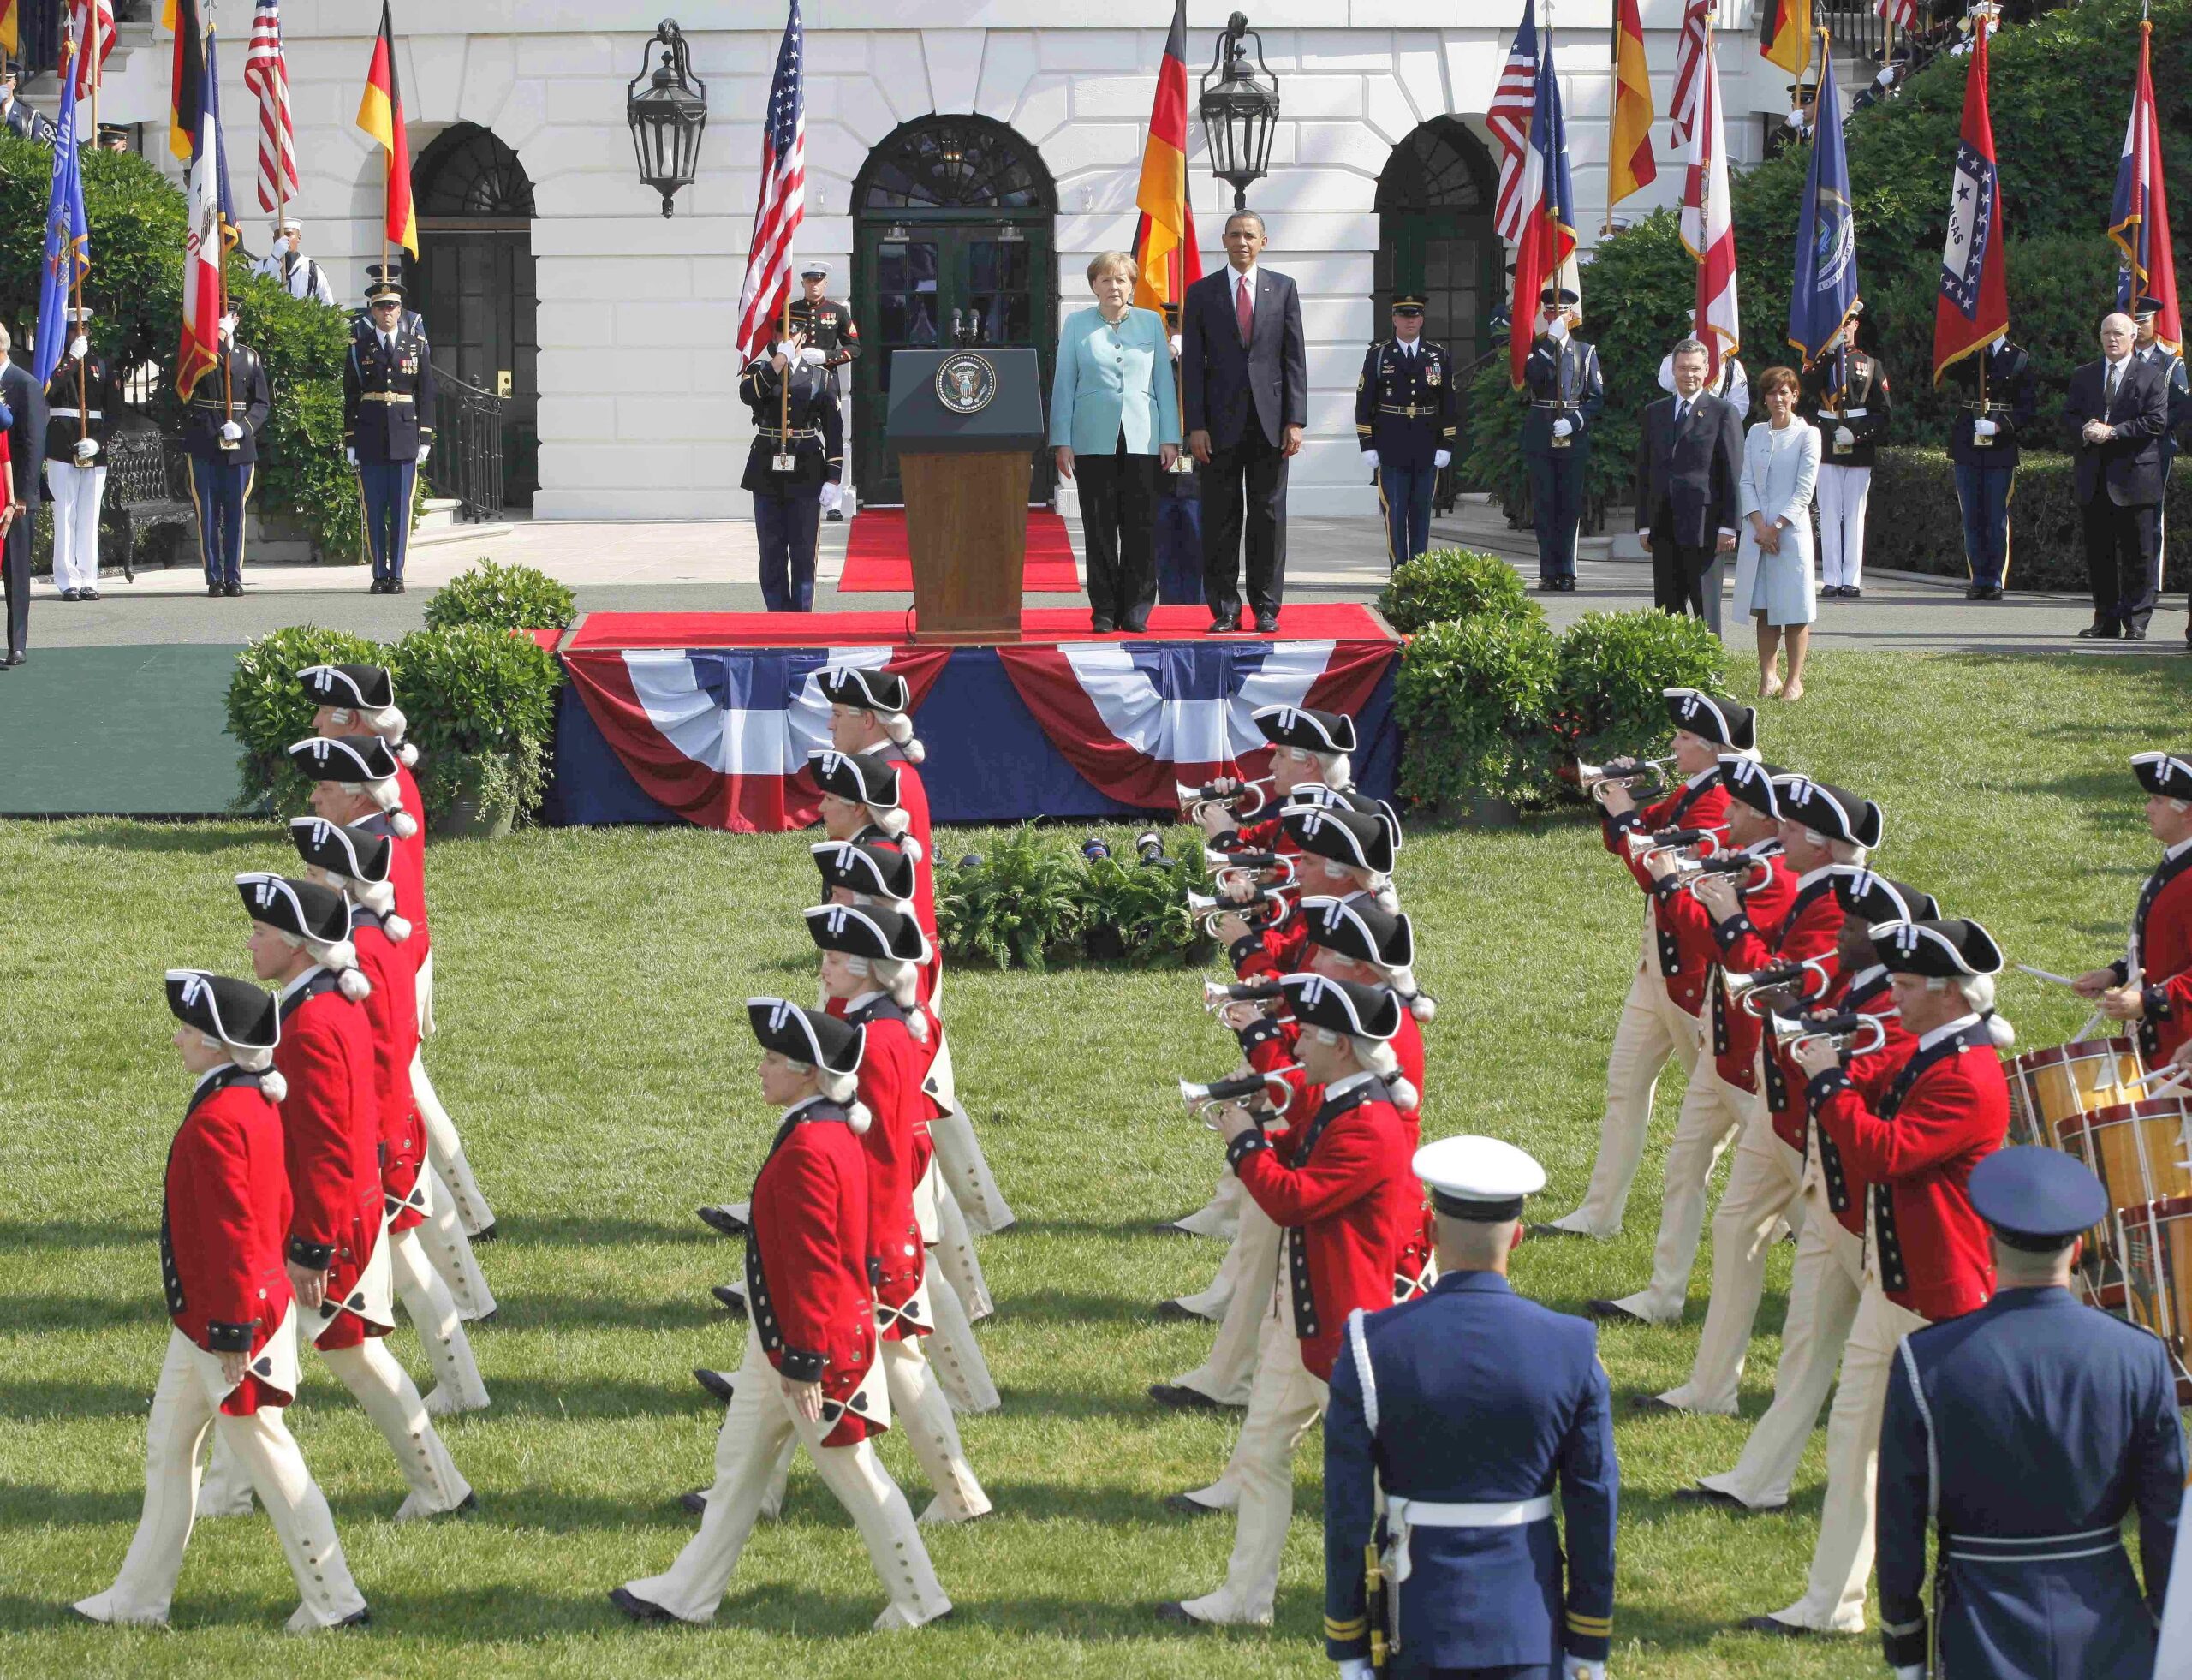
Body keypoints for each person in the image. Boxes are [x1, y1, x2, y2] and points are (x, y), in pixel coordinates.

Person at [612, 999, 952, 1631]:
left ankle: (920, 1598)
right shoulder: (825, 1128)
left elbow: (817, 1268)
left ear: (805, 1073)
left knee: (860, 1481)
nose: (761, 1070)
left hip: (811, 1353)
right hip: (784, 1347)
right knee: (740, 1473)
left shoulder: (809, 1148)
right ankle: (689, 1592)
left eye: (772, 1059)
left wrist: (802, 1364)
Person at [71, 970, 370, 1634]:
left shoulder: (218, 1118)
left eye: (187, 1031)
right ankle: (138, 1599)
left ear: (214, 1043)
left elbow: (235, 1234)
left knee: (270, 1455)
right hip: (211, 1320)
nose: (178, 1041)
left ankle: (335, 1599)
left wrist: (234, 1333)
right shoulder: (249, 1100)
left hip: (228, 1325)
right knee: (167, 1452)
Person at [1742, 915, 2010, 1641]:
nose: (1890, 998)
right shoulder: (1932, 1050)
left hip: (1943, 1302)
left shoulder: (1966, 1076)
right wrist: (1827, 1051)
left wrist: (1826, 1076)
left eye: (1903, 986)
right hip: (1893, 1284)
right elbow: (1876, 1083)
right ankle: (1832, 1606)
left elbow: (1884, 1153)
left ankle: (1978, 1602)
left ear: (1950, 995)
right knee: (1852, 1445)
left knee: (1961, 1476)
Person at [197, 874, 474, 1523]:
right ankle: (232, 1491)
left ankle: (440, 1486)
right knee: (261, 1353)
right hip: (333, 1213)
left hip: (329, 1225)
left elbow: (325, 1146)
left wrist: (312, 1247)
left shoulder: (311, 1022)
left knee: (358, 1358)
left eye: (261, 933)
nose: (249, 944)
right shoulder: (321, 1000)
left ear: (295, 946)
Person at [1156, 973, 1418, 1629]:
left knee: (1389, 1490)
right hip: (1306, 1325)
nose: (1295, 1037)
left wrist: (1244, 1139)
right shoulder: (1339, 1100)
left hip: (1346, 1339)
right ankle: (1246, 1600)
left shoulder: (1367, 1126)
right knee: (1262, 1456)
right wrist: (1260, 1133)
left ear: (1344, 1047)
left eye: (1308, 1032)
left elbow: (1292, 1199)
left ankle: (1413, 1607)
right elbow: (1301, 1169)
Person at [1678, 867, 1935, 1514]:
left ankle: (1961, 1485)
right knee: (1805, 1341)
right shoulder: (1857, 985)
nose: (1839, 934)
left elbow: (1868, 1085)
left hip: (1872, 1217)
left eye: (1851, 928)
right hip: (1832, 1196)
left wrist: (1821, 1054)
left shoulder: (1889, 1010)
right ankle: (1759, 1477)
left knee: (1917, 1362)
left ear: (1883, 944)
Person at [1875, 1147, 2183, 1680]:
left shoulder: (1925, 1361)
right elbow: (2167, 1519)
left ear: (1989, 1249)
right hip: (2108, 1629)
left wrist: (1906, 1646)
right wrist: (2169, 1627)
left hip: (1979, 1629)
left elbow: (1899, 1525)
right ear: (2080, 1248)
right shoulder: (2139, 1356)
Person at [1324, 1135, 1617, 1680]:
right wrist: (1588, 1641)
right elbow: (1593, 1505)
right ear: (1519, 1238)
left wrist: (1348, 1642)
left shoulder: (1370, 1344)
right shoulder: (1572, 1346)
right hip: (1528, 1627)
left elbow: (1346, 1513)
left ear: (1431, 1235)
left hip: (1415, 1627)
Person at [1640, 777, 1881, 1416]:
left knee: (1861, 1269)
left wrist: (1726, 915)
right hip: (1775, 1096)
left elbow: (1775, 981)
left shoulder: (1839, 905)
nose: (1781, 835)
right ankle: (1711, 1386)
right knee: (1735, 1228)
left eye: (1794, 830)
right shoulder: (1814, 888)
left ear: (1823, 846)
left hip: (1806, 1107)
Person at [288, 816, 490, 1417]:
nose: (308, 879)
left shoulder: (364, 950)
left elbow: (377, 1056)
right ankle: (463, 1385)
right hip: (389, 1126)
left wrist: (369, 1144)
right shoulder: (376, 934)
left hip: (377, 1132)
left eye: (317, 871)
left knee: (409, 1270)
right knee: (409, 1267)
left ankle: (461, 1385)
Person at [297, 664, 501, 1251]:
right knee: (409, 1090)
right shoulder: (384, 778)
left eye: (324, 711)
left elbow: (394, 892)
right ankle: (470, 1211)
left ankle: (464, 1212)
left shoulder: (380, 793)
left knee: (403, 1092)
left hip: (389, 958)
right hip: (394, 951)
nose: (315, 721)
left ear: (352, 719)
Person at [1586, 754, 1795, 1325]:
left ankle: (1848, 1271)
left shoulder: (1777, 879)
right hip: (1720, 1043)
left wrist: (1681, 888)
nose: (1725, 812)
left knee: (1807, 1188)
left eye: (1736, 807)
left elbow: (1721, 949)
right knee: (1685, 1166)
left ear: (1760, 817)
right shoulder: (1752, 861)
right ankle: (1663, 1296)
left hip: (1753, 1054)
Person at [1537, 689, 1749, 1242]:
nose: (1672, 747)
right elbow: (1635, 838)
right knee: (1623, 1087)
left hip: (1693, 979)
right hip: (1657, 967)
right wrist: (1617, 801)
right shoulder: (1693, 789)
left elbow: (1658, 869)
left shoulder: (1720, 801)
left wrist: (1626, 815)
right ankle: (1599, 1212)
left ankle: (1804, 1208)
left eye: (1682, 739)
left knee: (1742, 1104)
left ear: (1709, 748)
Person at [1180, 208, 1307, 634]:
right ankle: (1225, 609)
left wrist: (1296, 420)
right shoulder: (1202, 293)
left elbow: (1294, 360)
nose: (1242, 242)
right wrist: (1195, 425)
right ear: (1224, 240)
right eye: (1235, 235)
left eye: (1250, 235)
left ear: (1263, 242)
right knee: (1220, 518)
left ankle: (1267, 607)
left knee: (1269, 518)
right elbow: (1192, 368)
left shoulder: (1284, 289)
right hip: (1217, 427)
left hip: (1271, 426)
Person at [1050, 251, 1179, 632]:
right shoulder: (1076, 325)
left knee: (1140, 526)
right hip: (1092, 439)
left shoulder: (1151, 322)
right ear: (1093, 286)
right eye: (1105, 280)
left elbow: (1163, 384)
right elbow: (1064, 384)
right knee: (1100, 526)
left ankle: (1137, 607)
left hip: (1144, 437)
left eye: (1122, 279)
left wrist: (1170, 437)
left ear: (1132, 286)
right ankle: (1104, 608)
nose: (1114, 287)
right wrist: (1062, 439)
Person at [2071, 748, 2192, 1069]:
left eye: (2157, 800)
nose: (2147, 808)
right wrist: (2116, 972)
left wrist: (2147, 1001)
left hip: (2181, 1055)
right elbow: (2165, 943)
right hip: (2161, 1048)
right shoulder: (2177, 861)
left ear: (2187, 812)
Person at [2064, 311, 2168, 640]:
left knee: (2139, 555)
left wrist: (2114, 432)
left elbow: (2156, 422)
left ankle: (2136, 621)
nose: (2112, 339)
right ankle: (2105, 620)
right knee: (2100, 555)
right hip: (2094, 480)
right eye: (2106, 332)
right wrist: (2085, 429)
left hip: (2135, 479)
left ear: (2133, 337)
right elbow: (2068, 416)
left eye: (2119, 333)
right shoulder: (2084, 375)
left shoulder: (2152, 376)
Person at [1635, 338, 1742, 629]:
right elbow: (1645, 472)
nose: (1689, 375)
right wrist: (1644, 524)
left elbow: (1732, 472)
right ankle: (1673, 673)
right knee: (1667, 610)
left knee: (1705, 608)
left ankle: (1711, 674)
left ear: (1707, 369)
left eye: (1695, 368)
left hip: (1705, 528)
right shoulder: (1655, 412)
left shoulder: (1723, 412)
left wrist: (1729, 526)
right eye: (1683, 369)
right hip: (1663, 526)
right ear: (1673, 370)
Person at [344, 266, 437, 596]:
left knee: (400, 510)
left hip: (404, 435)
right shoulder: (359, 347)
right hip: (369, 435)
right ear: (372, 310)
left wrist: (425, 436)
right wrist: (350, 440)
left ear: (401, 310)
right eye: (381, 306)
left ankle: (396, 573)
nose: (388, 312)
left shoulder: (415, 345)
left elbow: (426, 391)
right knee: (374, 508)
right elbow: (351, 395)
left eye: (393, 306)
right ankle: (378, 572)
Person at [738, 321, 842, 612]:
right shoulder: (760, 371)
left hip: (807, 467)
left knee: (803, 548)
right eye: (780, 332)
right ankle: (776, 613)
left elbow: (834, 430)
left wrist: (833, 478)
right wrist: (778, 361)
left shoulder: (820, 378)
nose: (786, 337)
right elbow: (748, 395)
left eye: (792, 332)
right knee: (771, 549)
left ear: (802, 336)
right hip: (766, 469)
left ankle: (801, 614)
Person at [1732, 366, 1821, 700]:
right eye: (1772, 392)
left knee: (1794, 609)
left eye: (1784, 392)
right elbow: (1745, 481)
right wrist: (1758, 525)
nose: (1778, 398)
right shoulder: (1755, 432)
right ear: (1765, 398)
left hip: (1790, 534)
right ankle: (1768, 676)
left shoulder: (1808, 434)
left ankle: (1794, 680)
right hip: (1758, 536)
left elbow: (1804, 489)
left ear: (1795, 396)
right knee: (1766, 609)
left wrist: (1777, 526)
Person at [1355, 292, 1457, 571]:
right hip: (1391, 443)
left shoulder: (1437, 355)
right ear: (1394, 319)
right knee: (1396, 509)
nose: (1410, 321)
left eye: (1415, 316)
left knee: (1422, 509)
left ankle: (1419, 570)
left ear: (1422, 319)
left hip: (1426, 443)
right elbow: (1365, 401)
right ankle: (1399, 570)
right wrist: (1367, 444)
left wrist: (1447, 443)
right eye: (1404, 316)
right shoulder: (1379, 355)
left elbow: (1448, 401)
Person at [180, 312, 272, 599]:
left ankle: (233, 575)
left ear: (237, 319)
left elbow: (262, 404)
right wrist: (218, 340)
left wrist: (243, 428)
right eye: (218, 316)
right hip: (205, 441)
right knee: (207, 513)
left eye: (228, 316)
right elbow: (190, 386)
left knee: (235, 514)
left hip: (239, 446)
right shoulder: (199, 355)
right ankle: (214, 577)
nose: (222, 321)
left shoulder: (250, 357)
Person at [1801, 310, 1891, 599]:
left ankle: (1851, 579)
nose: (1845, 328)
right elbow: (1808, 390)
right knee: (1827, 513)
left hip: (1857, 446)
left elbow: (1884, 413)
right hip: (1827, 443)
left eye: (1849, 323)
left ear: (1856, 324)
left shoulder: (1871, 364)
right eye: (1839, 324)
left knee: (1854, 515)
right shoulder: (1819, 363)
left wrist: (1858, 434)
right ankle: (1831, 578)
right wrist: (1828, 352)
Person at [1522, 284, 1604, 593]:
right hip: (1541, 433)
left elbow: (1595, 398)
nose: (1558, 314)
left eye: (1563, 310)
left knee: (1569, 504)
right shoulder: (1536, 348)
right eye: (1552, 310)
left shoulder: (1586, 352)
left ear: (1572, 314)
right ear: (1545, 314)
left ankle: (1567, 571)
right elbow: (1533, 377)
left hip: (1573, 434)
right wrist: (1551, 340)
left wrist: (1574, 422)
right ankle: (1547, 571)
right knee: (1544, 504)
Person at [1944, 332, 2037, 599]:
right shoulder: (1967, 352)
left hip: (2000, 448)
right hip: (1967, 444)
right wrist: (1969, 347)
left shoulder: (2018, 358)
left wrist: (2000, 426)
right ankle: (1978, 579)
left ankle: (1994, 579)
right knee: (1972, 516)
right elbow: (1947, 370)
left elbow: (2027, 407)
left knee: (1995, 517)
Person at [43, 305, 119, 603]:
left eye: (84, 329)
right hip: (62, 445)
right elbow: (48, 391)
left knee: (89, 515)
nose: (80, 333)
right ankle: (67, 580)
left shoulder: (103, 364)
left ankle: (89, 577)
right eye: (75, 329)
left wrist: (100, 442)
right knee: (64, 513)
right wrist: (72, 358)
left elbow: (114, 414)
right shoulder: (58, 362)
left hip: (93, 449)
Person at [788, 259, 858, 522]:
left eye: (818, 281)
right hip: (797, 382)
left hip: (826, 382)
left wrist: (827, 355)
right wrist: (794, 355)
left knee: (833, 434)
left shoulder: (838, 312)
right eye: (809, 281)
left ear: (825, 283)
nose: (813, 285)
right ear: (803, 283)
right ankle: (799, 490)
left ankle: (834, 500)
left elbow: (854, 348)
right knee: (795, 431)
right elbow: (775, 347)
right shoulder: (790, 311)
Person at [2133, 293, 2189, 581]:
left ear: (2154, 322)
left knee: (2152, 513)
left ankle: (2150, 580)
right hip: (2121, 447)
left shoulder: (2169, 363)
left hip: (2155, 446)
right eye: (2133, 321)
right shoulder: (2117, 362)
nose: (2138, 327)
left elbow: (2179, 408)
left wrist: (2148, 429)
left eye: (2143, 321)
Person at [1153, 302, 1204, 605]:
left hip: (1199, 469)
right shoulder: (1160, 362)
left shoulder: (1207, 361)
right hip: (1162, 469)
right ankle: (1172, 607)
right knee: (1166, 546)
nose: (1178, 333)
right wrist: (1170, 354)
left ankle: (1198, 607)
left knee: (1199, 543)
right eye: (1174, 327)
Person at [0, 320, 44, 667]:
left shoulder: (24, 384)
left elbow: (32, 443)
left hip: (13, 495)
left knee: (15, 570)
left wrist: (26, 495)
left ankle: (17, 644)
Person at [250, 222, 338, 307]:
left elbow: (327, 304)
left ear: (299, 238)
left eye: (289, 234)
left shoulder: (311, 269)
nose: (284, 239)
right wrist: (275, 257)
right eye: (279, 235)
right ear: (274, 240)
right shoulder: (260, 267)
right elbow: (254, 295)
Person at [1656, 344, 1750, 421]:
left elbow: (1740, 406)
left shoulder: (1731, 365)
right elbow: (1666, 384)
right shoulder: (1676, 357)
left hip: (1716, 430)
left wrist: (1717, 423)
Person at [1, 60, 57, 143]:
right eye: (0, 82)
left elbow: (37, 148)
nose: (2, 86)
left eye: (7, 82)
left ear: (14, 84)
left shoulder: (29, 115)